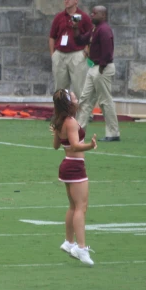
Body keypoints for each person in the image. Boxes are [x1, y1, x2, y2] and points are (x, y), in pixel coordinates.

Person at [50, 88, 98, 267]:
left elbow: (56, 145)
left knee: (73, 206)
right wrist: (90, 145)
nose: (77, 100)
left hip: (66, 165)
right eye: (75, 98)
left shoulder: (59, 121)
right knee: (81, 207)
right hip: (75, 166)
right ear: (68, 103)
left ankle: (69, 242)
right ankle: (81, 247)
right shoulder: (69, 121)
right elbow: (76, 146)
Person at [75, 6, 121, 142]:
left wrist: (101, 66)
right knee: (85, 99)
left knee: (105, 101)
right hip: (94, 67)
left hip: (102, 68)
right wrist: (75, 28)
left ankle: (113, 133)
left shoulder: (104, 30)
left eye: (95, 13)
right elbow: (81, 40)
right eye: (92, 12)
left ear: (103, 16)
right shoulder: (95, 29)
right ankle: (79, 130)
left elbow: (108, 50)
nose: (91, 14)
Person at [49, 0, 93, 99]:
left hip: (77, 54)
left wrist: (87, 51)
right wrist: (53, 55)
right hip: (60, 54)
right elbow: (52, 37)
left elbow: (91, 35)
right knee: (60, 89)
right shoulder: (59, 17)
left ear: (76, 0)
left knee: (80, 87)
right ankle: (61, 114)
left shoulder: (83, 16)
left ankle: (83, 115)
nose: (66, 1)